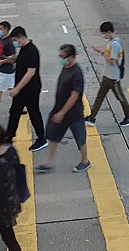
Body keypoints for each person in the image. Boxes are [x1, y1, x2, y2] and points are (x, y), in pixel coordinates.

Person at [36, 44, 90, 173]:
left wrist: (62, 112)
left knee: (80, 138)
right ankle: (49, 163)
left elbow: (74, 95)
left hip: (73, 113)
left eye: (63, 57)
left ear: (71, 57)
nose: (61, 59)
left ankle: (85, 161)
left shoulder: (76, 72)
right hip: (59, 109)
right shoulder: (66, 66)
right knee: (54, 136)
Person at [4, 27, 47, 151]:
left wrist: (17, 88)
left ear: (22, 37)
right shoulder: (24, 49)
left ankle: (41, 138)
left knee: (33, 113)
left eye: (16, 40)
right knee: (14, 112)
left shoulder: (32, 50)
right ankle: (9, 137)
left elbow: (31, 72)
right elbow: (24, 61)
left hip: (30, 89)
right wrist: (14, 59)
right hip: (23, 90)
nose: (15, 43)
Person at [85, 22, 129, 127]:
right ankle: (91, 118)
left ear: (109, 32)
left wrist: (101, 52)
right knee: (100, 96)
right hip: (107, 75)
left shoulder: (115, 44)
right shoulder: (111, 42)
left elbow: (112, 61)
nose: (103, 36)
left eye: (104, 33)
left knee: (120, 97)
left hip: (113, 77)